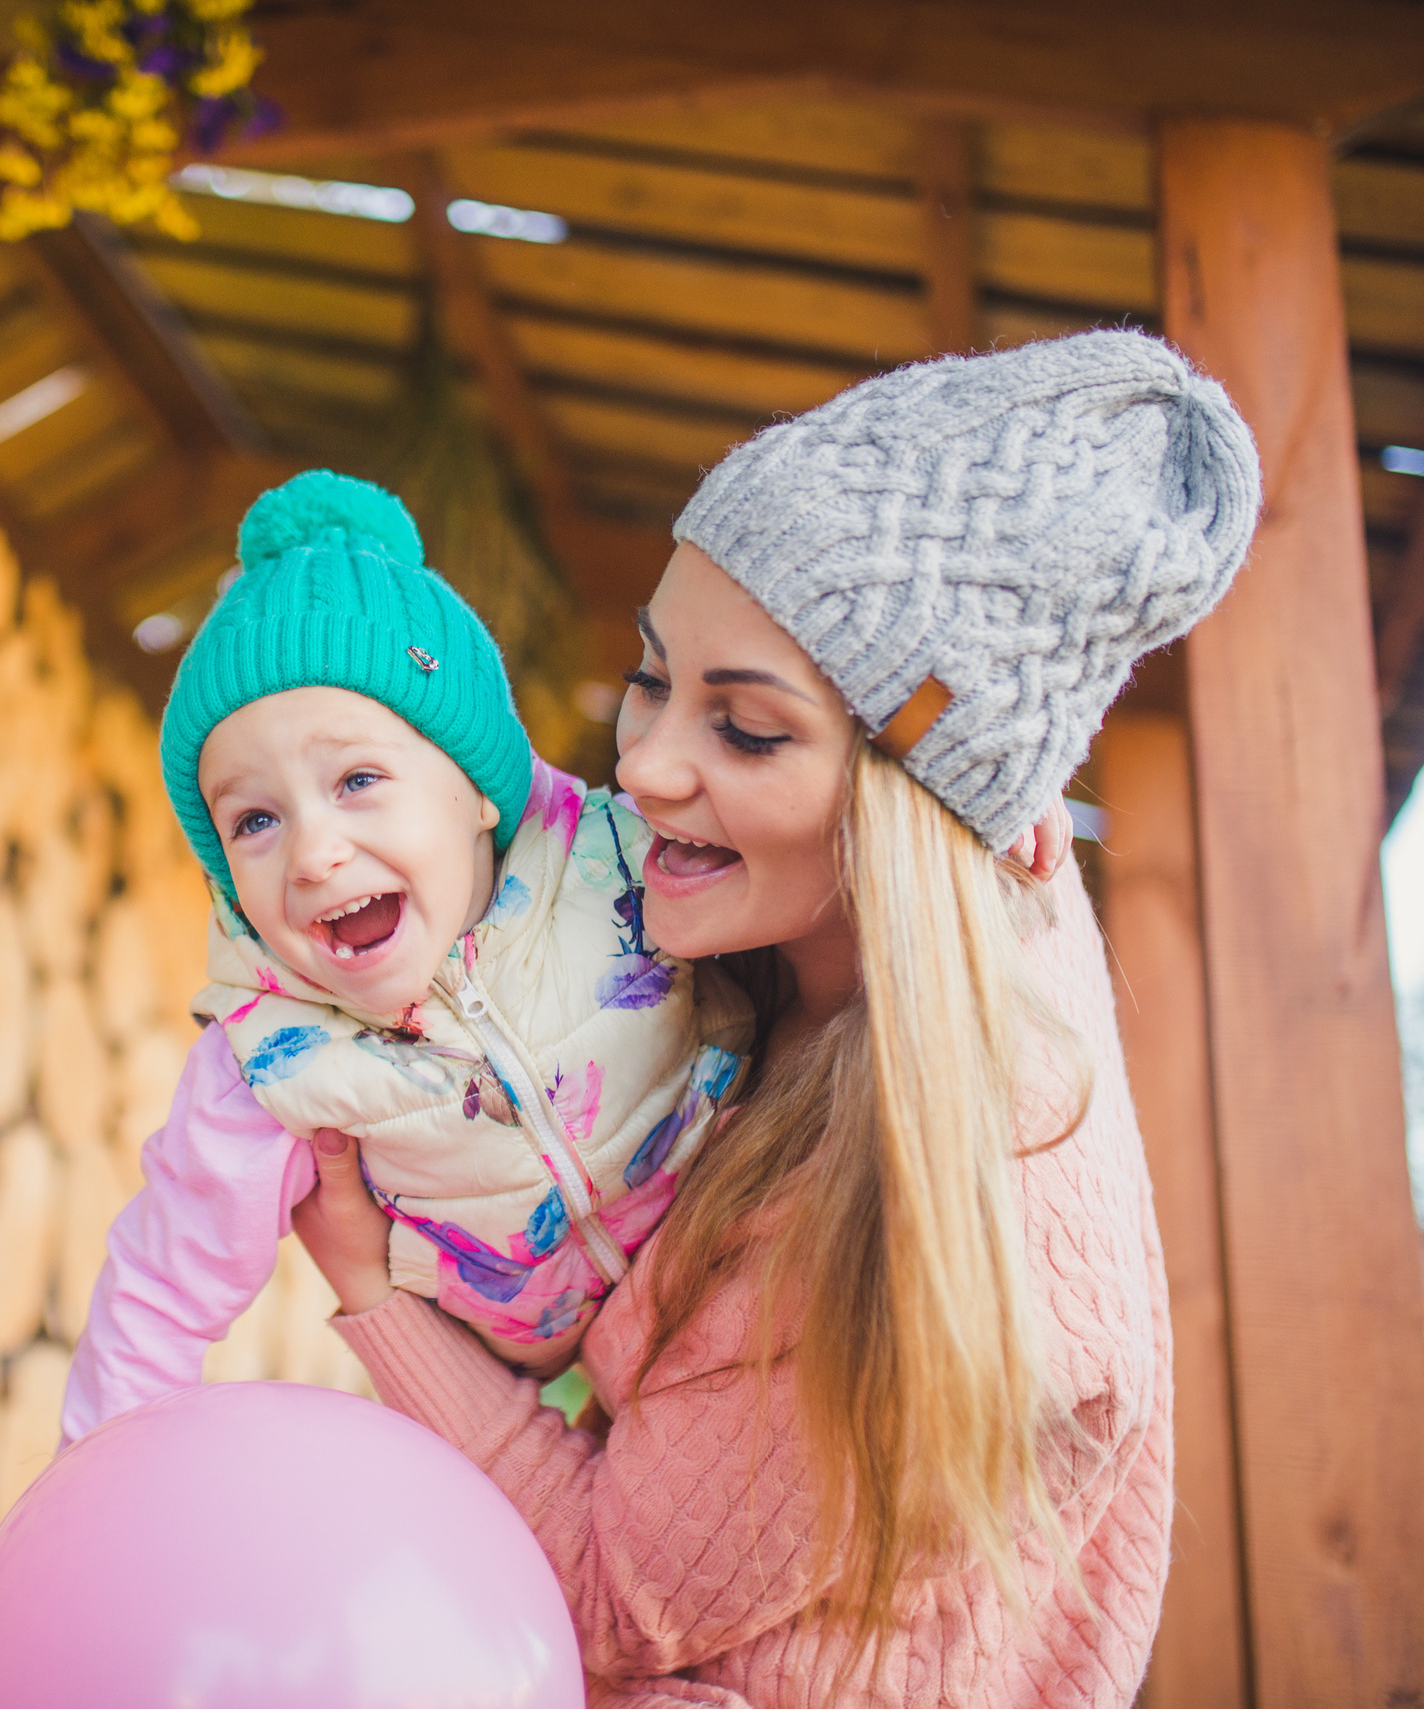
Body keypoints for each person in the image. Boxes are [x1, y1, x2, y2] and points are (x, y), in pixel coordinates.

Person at [289, 329, 1263, 1706]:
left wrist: (376, 1291)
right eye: (652, 675)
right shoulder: (847, 927)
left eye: (746, 731)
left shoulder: (947, 1194)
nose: (643, 761)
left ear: (915, 806)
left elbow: (607, 1593)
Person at [61, 470, 755, 1443]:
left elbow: (797, 853)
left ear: (475, 788)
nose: (312, 852)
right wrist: (94, 1483)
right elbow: (158, 1290)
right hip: (541, 1377)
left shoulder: (616, 859)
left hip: (748, 1252)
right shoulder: (266, 1060)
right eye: (253, 819)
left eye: (356, 779)